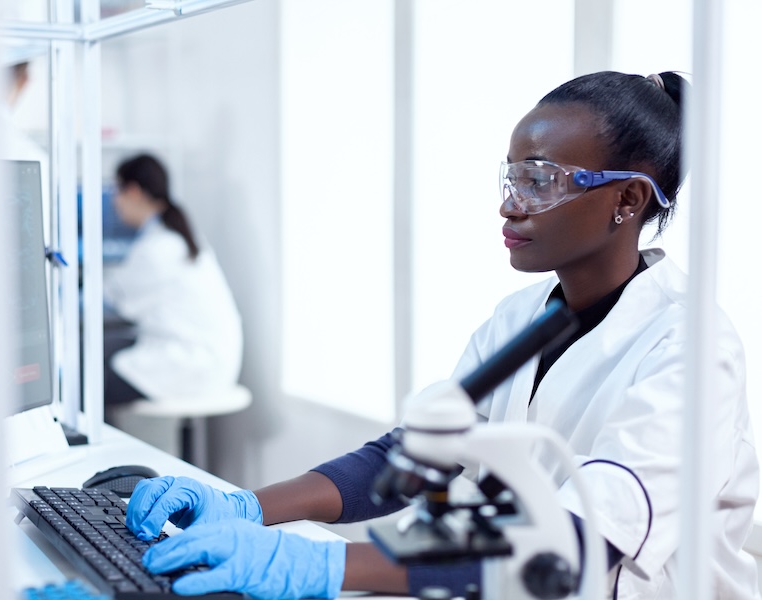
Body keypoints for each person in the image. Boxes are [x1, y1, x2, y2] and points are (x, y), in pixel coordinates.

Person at [123, 71, 761, 599]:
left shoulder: (690, 349)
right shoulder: (521, 317)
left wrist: (322, 567)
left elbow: (579, 538)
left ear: (625, 201)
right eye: (510, 179)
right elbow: (411, 455)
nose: (509, 205)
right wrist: (245, 508)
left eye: (539, 181)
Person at [103, 153, 243, 409]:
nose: (114, 202)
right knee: (103, 350)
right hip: (208, 357)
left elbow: (110, 298)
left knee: (88, 379)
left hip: (190, 363)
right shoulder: (177, 237)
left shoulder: (158, 247)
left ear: (133, 191)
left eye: (116, 192)